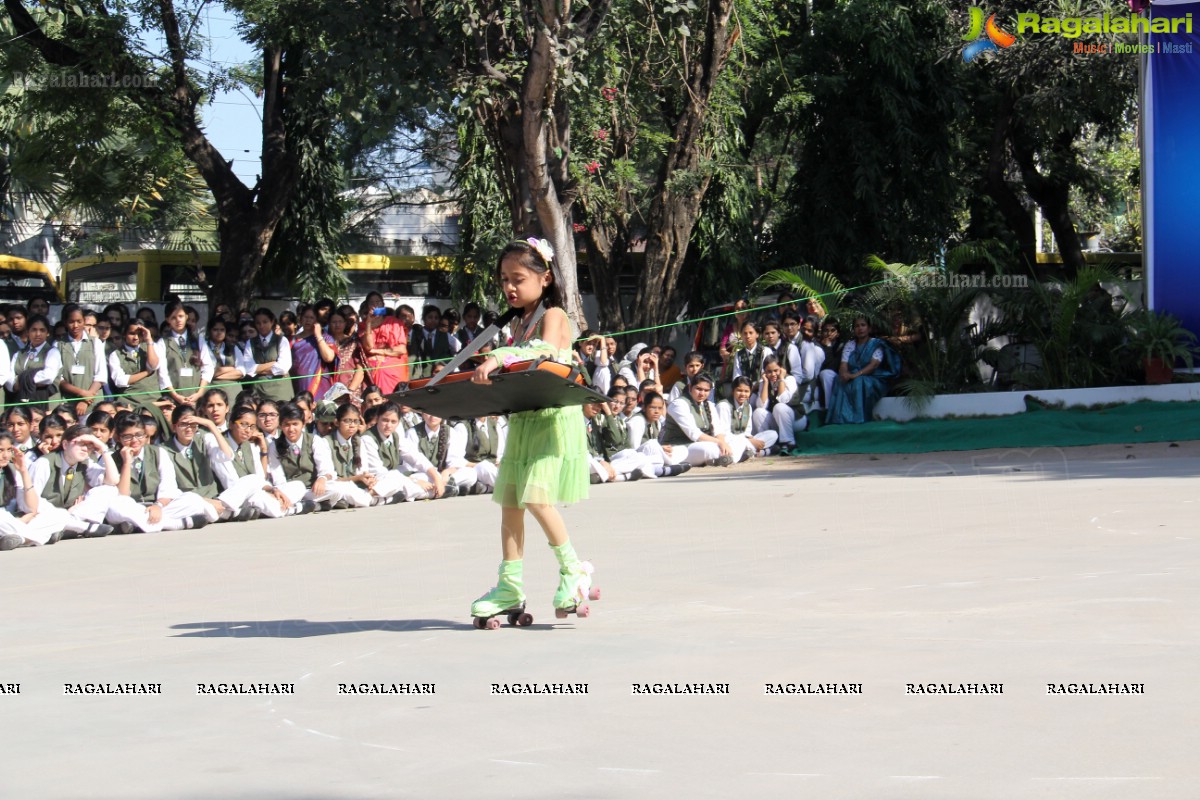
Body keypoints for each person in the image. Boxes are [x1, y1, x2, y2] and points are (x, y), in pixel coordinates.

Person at [468, 238, 594, 627]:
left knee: (537, 499)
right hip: (525, 417)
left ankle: (575, 571)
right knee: (510, 505)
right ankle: (510, 586)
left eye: (518, 279)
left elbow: (542, 353)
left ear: (545, 278)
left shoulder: (554, 315)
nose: (509, 287)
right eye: (504, 279)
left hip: (553, 418)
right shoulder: (517, 321)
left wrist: (497, 357)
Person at [825, 315, 900, 425]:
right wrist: (844, 373)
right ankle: (839, 419)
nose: (860, 328)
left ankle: (859, 418)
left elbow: (873, 365)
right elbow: (844, 363)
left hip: (873, 377)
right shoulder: (850, 344)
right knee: (839, 379)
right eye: (857, 326)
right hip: (853, 375)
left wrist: (854, 376)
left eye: (863, 325)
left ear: (869, 328)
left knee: (859, 382)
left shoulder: (876, 344)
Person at [244, 308, 294, 403]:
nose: (261, 326)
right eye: (258, 323)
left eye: (265, 322)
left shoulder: (282, 340)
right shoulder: (250, 343)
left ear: (272, 322)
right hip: (258, 390)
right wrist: (273, 363)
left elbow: (283, 367)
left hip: (280, 390)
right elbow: (248, 368)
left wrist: (258, 369)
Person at [359, 303, 408, 394]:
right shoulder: (363, 326)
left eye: (378, 302)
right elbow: (368, 347)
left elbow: (401, 350)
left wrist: (377, 351)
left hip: (394, 371)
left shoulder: (394, 323)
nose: (374, 307)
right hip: (373, 373)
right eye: (372, 302)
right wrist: (369, 323)